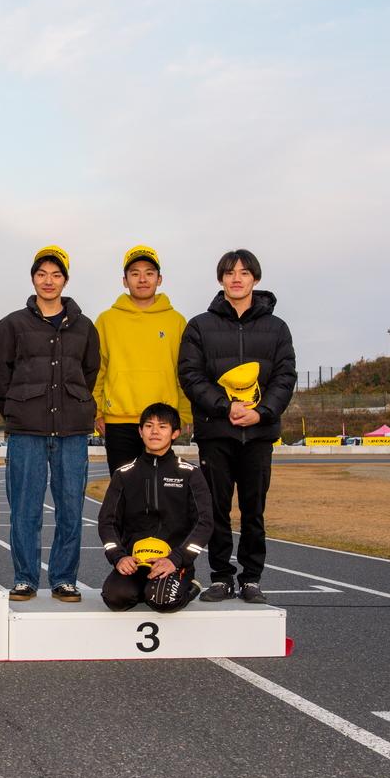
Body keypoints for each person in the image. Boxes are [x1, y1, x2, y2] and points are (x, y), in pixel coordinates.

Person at [178, 249, 296, 604]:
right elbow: (190, 375)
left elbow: (285, 376)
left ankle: (251, 578)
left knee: (253, 510)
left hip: (258, 434)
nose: (237, 278)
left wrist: (262, 412)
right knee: (215, 509)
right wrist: (224, 406)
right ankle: (221, 577)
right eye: (230, 273)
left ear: (255, 278)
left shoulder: (277, 328)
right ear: (221, 279)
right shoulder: (200, 325)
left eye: (244, 272)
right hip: (217, 432)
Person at [0, 246, 99, 602]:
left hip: (72, 432)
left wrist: (73, 404)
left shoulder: (85, 327)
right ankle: (25, 578)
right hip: (27, 432)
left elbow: (90, 372)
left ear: (65, 280)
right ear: (33, 278)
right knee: (25, 510)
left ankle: (64, 579)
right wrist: (17, 411)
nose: (48, 281)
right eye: (41, 274)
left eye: (55, 275)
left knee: (71, 509)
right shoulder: (11, 325)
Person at [98, 402, 212, 613]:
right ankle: (143, 588)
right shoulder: (124, 474)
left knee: (161, 599)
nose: (155, 432)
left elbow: (204, 523)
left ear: (175, 433)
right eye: (149, 426)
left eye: (162, 426)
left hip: (173, 562)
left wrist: (176, 559)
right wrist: (119, 557)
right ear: (140, 432)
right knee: (115, 598)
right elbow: (107, 522)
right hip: (134, 562)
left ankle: (190, 586)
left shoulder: (190, 474)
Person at [93, 245, 192, 474]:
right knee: (124, 488)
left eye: (149, 273)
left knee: (160, 489)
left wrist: (185, 413)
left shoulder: (176, 321)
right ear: (125, 281)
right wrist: (97, 412)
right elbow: (98, 370)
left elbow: (184, 372)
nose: (142, 279)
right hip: (118, 421)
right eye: (135, 273)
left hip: (162, 421)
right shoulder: (107, 320)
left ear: (159, 279)